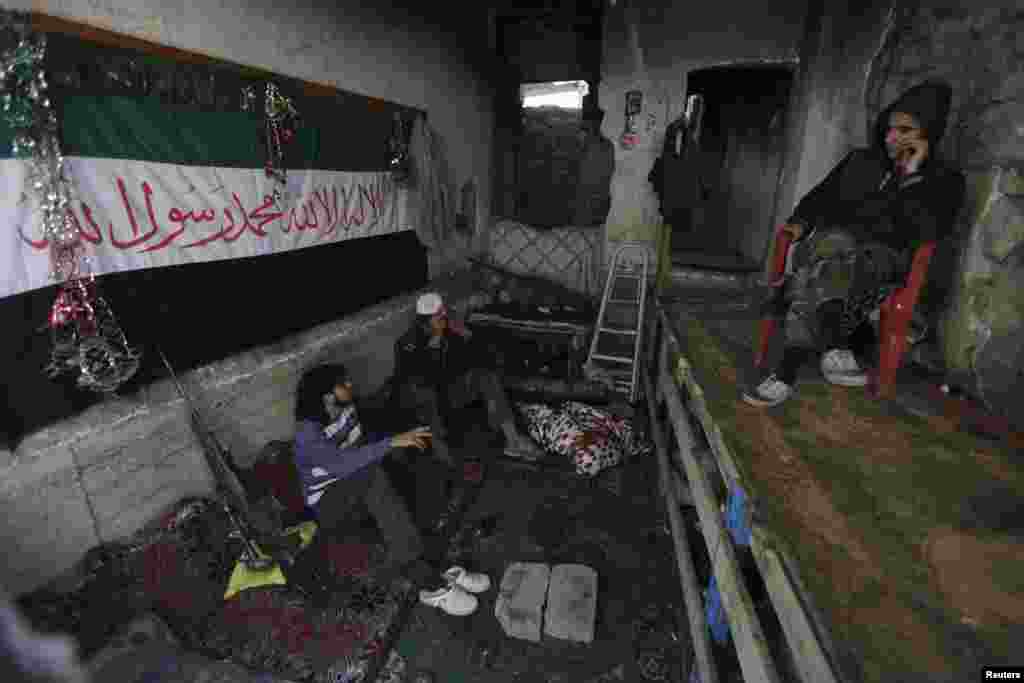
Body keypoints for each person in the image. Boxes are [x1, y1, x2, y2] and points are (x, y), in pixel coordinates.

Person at [744, 80, 966, 407]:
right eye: (890, 128)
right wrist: (799, 222)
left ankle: (786, 368)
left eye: (906, 130)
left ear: (928, 134)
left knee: (813, 273)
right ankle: (833, 347)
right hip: (829, 250)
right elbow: (820, 197)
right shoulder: (860, 162)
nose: (892, 137)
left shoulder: (944, 181)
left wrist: (911, 175)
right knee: (833, 246)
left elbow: (926, 231)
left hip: (883, 262)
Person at [391, 292, 545, 467]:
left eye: (443, 316)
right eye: (438, 318)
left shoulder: (449, 333)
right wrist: (432, 352)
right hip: (426, 400)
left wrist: (466, 335)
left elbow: (476, 359)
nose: (443, 321)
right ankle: (441, 452)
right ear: (424, 321)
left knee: (486, 377)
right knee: (424, 394)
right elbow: (413, 382)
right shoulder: (408, 344)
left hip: (449, 392)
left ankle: (512, 439)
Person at [572, 107, 615, 227]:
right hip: (598, 202)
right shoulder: (607, 145)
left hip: (590, 203)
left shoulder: (591, 145)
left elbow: (583, 175)